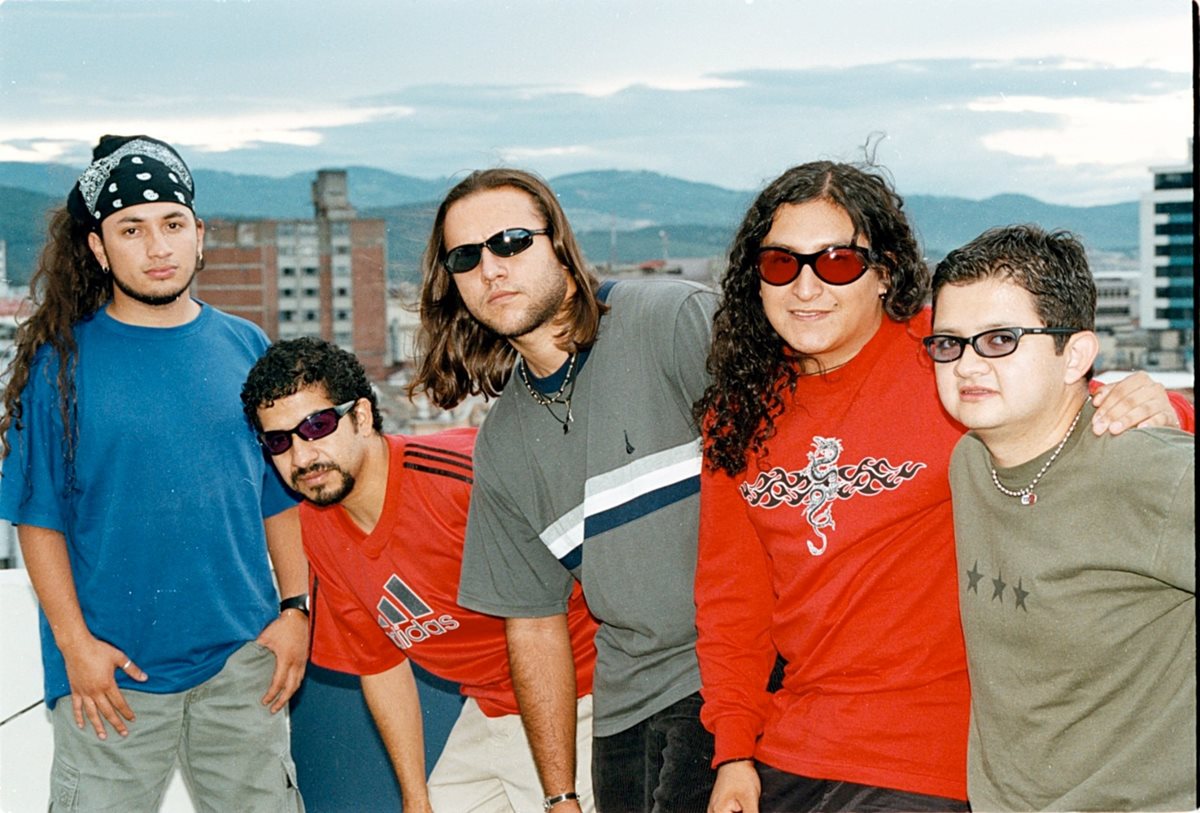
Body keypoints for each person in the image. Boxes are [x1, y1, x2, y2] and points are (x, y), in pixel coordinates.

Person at [691, 160, 1192, 813]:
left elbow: (1061, 397)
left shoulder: (943, 354)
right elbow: (734, 603)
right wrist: (733, 752)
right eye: (782, 263)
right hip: (793, 746)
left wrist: (1165, 406)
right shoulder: (739, 413)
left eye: (837, 262)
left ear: (885, 272)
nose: (806, 287)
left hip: (930, 760)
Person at [0, 135, 307, 811]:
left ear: (200, 234)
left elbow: (277, 495)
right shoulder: (59, 367)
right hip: (111, 675)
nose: (157, 247)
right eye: (131, 230)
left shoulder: (246, 346)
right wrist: (76, 647)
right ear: (99, 248)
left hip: (242, 665)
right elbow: (37, 519)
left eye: (172, 224)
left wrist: (296, 610)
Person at [408, 168, 719, 812]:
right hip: (626, 709)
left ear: (559, 243)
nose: (491, 268)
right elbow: (533, 624)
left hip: (732, 677)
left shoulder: (671, 321)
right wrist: (560, 796)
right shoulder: (503, 445)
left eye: (511, 241)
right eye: (465, 257)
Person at [241, 337, 600, 813]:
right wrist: (415, 799)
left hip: (583, 696)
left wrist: (561, 796)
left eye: (317, 426)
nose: (302, 457)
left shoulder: (464, 477)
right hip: (491, 706)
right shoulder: (318, 527)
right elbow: (380, 666)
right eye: (280, 441)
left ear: (361, 417)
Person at [926, 224, 1195, 811]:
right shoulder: (970, 461)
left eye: (999, 340)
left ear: (1074, 354)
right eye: (949, 343)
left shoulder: (1145, 469)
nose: (967, 365)